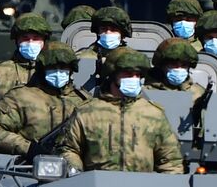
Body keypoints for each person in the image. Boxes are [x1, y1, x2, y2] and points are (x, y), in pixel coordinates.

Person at [55, 47, 184, 174]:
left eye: (138, 75)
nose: (134, 78)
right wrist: (77, 174)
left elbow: (170, 159)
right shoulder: (87, 112)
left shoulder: (153, 114)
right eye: (128, 73)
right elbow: (69, 148)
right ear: (112, 74)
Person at [0, 41, 89, 157]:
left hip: (77, 170)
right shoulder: (20, 98)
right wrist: (29, 148)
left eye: (63, 67)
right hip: (30, 170)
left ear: (71, 69)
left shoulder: (84, 101)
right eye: (52, 67)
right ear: (42, 69)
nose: (58, 72)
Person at [0, 12, 51, 132]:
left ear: (44, 41)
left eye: (35, 38)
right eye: (25, 38)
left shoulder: (54, 71)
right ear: (17, 41)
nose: (30, 43)